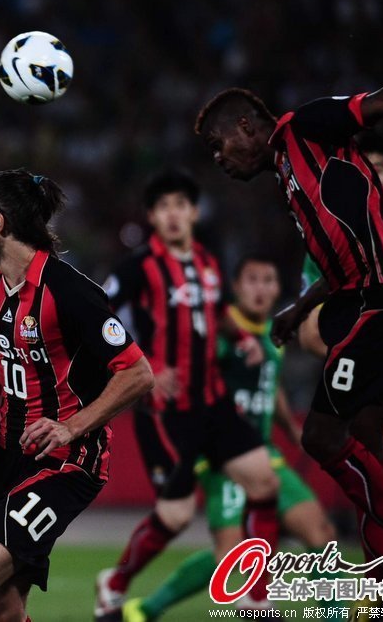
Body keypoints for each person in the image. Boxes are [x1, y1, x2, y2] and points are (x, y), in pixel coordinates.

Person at [195, 71, 383, 619]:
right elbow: (337, 260)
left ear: (245, 126)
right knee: (367, 446)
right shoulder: (287, 174)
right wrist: (298, 309)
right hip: (381, 304)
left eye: (218, 145)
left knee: (322, 437)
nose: (218, 158)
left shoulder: (305, 126)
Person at [0, 169, 154, 622]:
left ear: (0, 222)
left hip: (66, 462)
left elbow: (137, 373)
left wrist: (71, 427)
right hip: (9, 457)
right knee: (1, 605)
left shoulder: (71, 291)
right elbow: (1, 356)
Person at [93, 172, 281, 621]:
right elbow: (97, 316)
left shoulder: (209, 263)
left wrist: (243, 340)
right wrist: (148, 367)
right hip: (165, 411)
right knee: (176, 517)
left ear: (194, 213)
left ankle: (256, 595)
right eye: (164, 207)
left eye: (181, 205)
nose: (173, 214)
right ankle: (115, 581)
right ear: (153, 217)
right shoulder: (137, 268)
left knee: (264, 482)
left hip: (213, 401)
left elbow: (216, 316)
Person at [122, 255, 336, 622]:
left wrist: (294, 433)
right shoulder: (218, 333)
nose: (260, 288)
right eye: (251, 279)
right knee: (233, 552)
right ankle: (145, 608)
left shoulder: (273, 333)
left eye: (268, 280)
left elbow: (271, 389)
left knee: (321, 533)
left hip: (267, 457)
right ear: (235, 288)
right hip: (224, 460)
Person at [297, 134, 383, 526]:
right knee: (374, 462)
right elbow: (310, 332)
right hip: (364, 378)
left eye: (377, 169)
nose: (367, 177)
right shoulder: (328, 239)